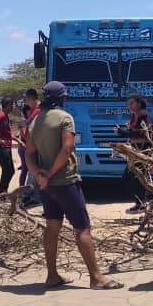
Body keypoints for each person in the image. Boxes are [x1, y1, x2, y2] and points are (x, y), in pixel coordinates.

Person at [25, 81, 123, 290]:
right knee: (82, 229)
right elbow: (68, 147)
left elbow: (28, 154)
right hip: (65, 181)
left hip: (47, 187)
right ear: (61, 98)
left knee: (52, 226)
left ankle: (52, 275)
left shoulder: (35, 121)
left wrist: (39, 175)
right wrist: (51, 173)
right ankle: (96, 277)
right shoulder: (64, 117)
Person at [114, 94, 153, 214]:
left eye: (132, 103)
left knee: (133, 177)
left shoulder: (145, 116)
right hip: (135, 151)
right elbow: (132, 133)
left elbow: (146, 133)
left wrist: (128, 131)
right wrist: (123, 132)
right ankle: (144, 203)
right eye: (129, 103)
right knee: (137, 178)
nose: (129, 106)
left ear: (139, 103)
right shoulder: (135, 117)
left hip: (143, 151)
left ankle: (143, 203)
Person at [17, 88, 42, 209]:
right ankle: (29, 196)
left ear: (30, 98)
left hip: (36, 146)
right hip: (32, 146)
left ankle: (35, 198)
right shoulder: (33, 111)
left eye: (26, 100)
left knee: (34, 173)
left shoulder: (39, 111)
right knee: (31, 173)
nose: (26, 103)